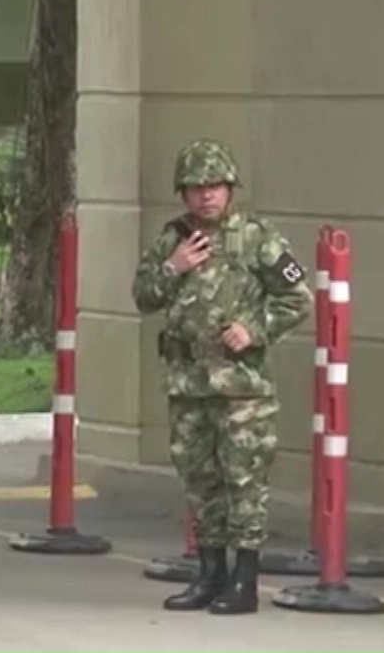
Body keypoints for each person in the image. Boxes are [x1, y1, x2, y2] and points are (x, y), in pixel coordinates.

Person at [131, 139, 312, 616]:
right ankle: (209, 574)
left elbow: (297, 298)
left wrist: (253, 330)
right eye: (194, 187)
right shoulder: (173, 239)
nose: (205, 196)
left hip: (241, 387)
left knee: (243, 479)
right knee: (200, 480)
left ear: (230, 189)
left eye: (214, 186)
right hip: (188, 381)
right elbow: (144, 295)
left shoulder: (257, 238)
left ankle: (244, 580)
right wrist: (174, 267)